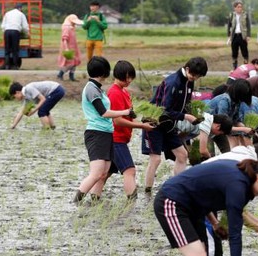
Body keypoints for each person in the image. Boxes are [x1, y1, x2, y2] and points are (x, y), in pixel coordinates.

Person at [86, 60, 155, 200]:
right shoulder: (115, 93)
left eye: (131, 77)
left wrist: (143, 121)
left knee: (104, 174)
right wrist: (142, 126)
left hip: (119, 139)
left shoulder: (124, 92)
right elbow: (117, 121)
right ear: (117, 75)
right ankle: (132, 202)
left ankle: (93, 200)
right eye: (126, 77)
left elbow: (127, 116)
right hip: (115, 139)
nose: (129, 80)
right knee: (130, 170)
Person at [142, 57, 208, 194]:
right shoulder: (173, 82)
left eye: (198, 77)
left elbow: (184, 104)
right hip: (154, 122)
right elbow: (165, 110)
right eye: (193, 75)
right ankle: (147, 192)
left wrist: (192, 114)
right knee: (155, 159)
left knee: (182, 155)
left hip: (169, 124)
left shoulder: (189, 82)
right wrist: (186, 117)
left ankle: (176, 187)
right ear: (187, 69)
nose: (194, 78)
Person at [73, 57, 133, 204]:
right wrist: (125, 112)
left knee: (104, 173)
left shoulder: (97, 88)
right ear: (104, 72)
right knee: (96, 173)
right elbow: (104, 113)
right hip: (96, 133)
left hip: (106, 133)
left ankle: (94, 202)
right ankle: (75, 203)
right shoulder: (91, 89)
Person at [207, 79, 256, 150]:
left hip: (218, 129)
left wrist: (248, 129)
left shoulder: (237, 102)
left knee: (228, 151)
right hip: (208, 127)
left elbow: (236, 120)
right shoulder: (224, 101)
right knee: (208, 153)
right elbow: (223, 125)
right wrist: (244, 129)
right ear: (238, 93)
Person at [1, 3, 28, 70]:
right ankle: (15, 66)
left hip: (7, 31)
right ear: (20, 8)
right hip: (15, 31)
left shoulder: (7, 13)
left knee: (7, 50)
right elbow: (25, 26)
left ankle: (7, 66)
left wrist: (5, 32)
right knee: (15, 50)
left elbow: (3, 25)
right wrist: (27, 33)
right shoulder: (21, 14)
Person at [57, 14, 84, 81]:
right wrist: (66, 48)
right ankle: (60, 74)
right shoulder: (66, 27)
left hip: (73, 47)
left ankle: (71, 76)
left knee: (75, 62)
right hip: (68, 48)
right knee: (69, 63)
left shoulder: (72, 27)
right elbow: (65, 39)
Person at [227, 0, 251, 70]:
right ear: (235, 8)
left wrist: (248, 35)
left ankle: (246, 66)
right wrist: (229, 35)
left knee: (244, 51)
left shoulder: (245, 15)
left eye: (241, 7)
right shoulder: (231, 15)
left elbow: (248, 25)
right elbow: (229, 25)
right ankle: (235, 67)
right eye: (238, 7)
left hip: (242, 36)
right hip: (234, 36)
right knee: (234, 52)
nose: (240, 8)